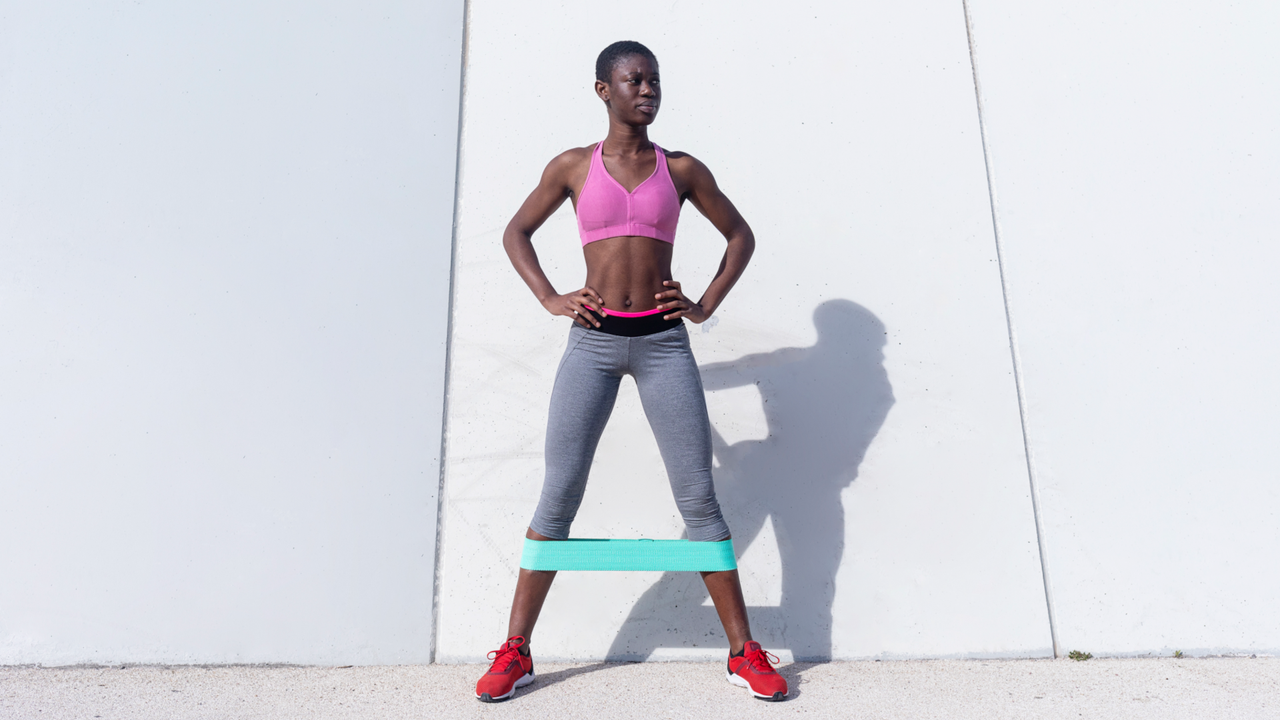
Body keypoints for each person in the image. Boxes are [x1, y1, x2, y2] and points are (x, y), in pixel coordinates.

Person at [474, 40, 787, 703]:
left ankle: (742, 652)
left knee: (698, 499)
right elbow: (515, 233)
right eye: (632, 80)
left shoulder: (682, 169)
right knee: (558, 495)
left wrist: (702, 305)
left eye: (653, 80)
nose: (646, 89)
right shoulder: (571, 167)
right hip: (591, 345)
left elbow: (741, 236)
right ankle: (516, 651)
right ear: (603, 90)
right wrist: (550, 297)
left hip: (662, 344)